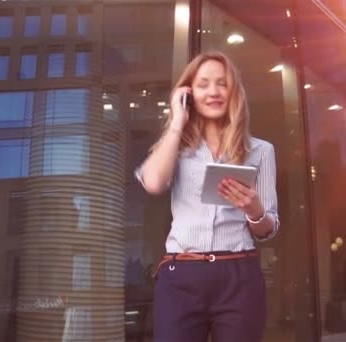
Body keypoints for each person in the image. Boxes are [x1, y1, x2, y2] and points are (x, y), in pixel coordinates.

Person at [135, 51, 279, 341]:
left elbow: (268, 229)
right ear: (189, 93)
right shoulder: (175, 146)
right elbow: (152, 183)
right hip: (181, 274)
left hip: (239, 274)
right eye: (203, 84)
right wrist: (177, 122)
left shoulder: (261, 150)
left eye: (222, 83)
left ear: (234, 91)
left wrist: (254, 210)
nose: (213, 91)